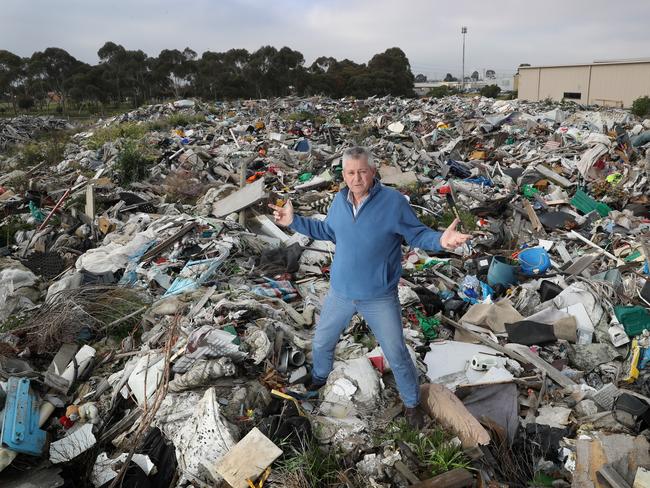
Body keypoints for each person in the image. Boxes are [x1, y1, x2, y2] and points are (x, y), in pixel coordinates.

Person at [269, 146, 471, 427]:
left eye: (362, 171)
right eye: (350, 172)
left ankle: (412, 405)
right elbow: (327, 231)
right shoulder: (339, 202)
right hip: (341, 292)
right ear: (343, 174)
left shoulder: (393, 202)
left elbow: (417, 234)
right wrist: (294, 222)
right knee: (322, 342)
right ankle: (318, 381)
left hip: (379, 297)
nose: (356, 178)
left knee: (397, 353)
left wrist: (441, 241)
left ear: (373, 172)